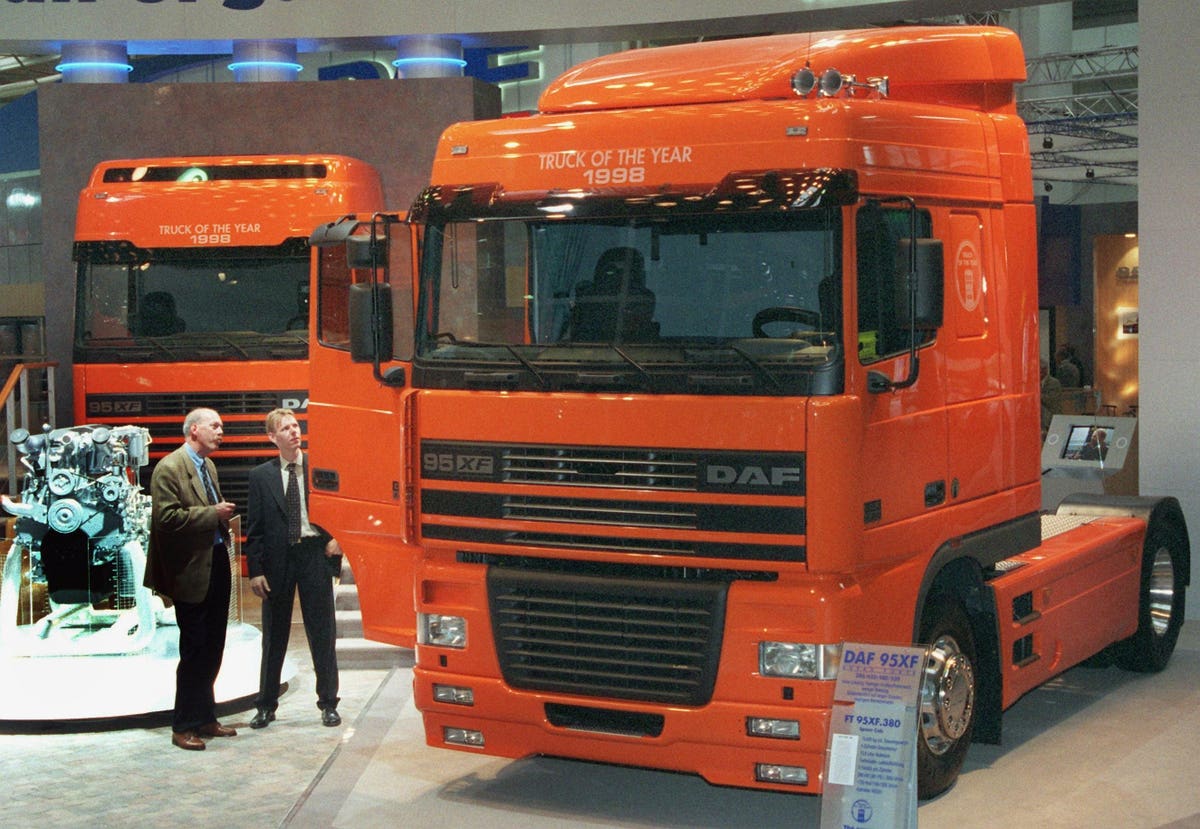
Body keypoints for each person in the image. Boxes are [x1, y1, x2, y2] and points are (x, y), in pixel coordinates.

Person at [144, 407, 238, 751]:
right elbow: (167, 519)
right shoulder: (169, 468)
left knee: (214, 646)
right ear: (194, 429)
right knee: (195, 649)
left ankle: (205, 716)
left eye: (222, 426)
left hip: (215, 561)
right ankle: (182, 725)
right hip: (190, 571)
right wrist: (212, 514)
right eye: (215, 426)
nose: (221, 431)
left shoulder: (208, 466)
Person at [245, 407, 343, 729]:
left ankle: (329, 703)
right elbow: (255, 529)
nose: (294, 432)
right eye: (285, 428)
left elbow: (341, 509)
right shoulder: (261, 476)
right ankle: (265, 705)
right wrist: (255, 570)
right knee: (274, 635)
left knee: (322, 632)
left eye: (296, 426)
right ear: (272, 437)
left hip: (314, 554)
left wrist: (339, 539)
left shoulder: (319, 468)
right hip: (278, 561)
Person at [1040, 358, 1063, 439]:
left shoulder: (1054, 383)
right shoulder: (1033, 382)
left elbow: (1051, 400)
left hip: (1051, 418)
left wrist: (1036, 395)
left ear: (1045, 370)